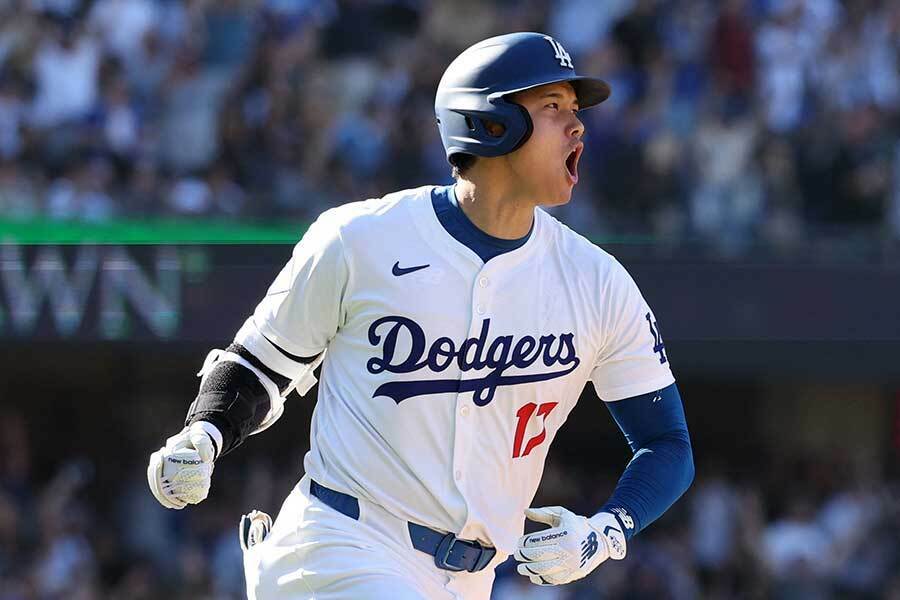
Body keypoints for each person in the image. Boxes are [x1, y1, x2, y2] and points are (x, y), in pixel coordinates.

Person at [147, 32, 694, 599]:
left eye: (576, 111)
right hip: (341, 545)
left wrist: (604, 533)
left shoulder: (597, 282)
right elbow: (260, 365)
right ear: (489, 122)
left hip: (470, 580)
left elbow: (667, 444)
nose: (577, 126)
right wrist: (204, 433)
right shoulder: (361, 238)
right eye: (552, 106)